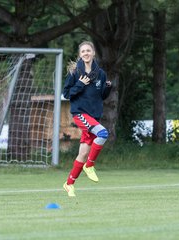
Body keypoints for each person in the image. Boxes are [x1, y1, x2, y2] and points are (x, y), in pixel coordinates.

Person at [62, 41, 112, 197]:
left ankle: (69, 184)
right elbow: (66, 94)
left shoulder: (101, 73)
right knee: (103, 134)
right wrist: (79, 84)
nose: (86, 53)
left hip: (94, 116)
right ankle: (90, 166)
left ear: (93, 53)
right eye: (83, 51)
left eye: (88, 50)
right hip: (80, 114)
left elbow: (102, 95)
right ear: (80, 54)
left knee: (83, 154)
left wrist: (107, 88)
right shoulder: (75, 72)